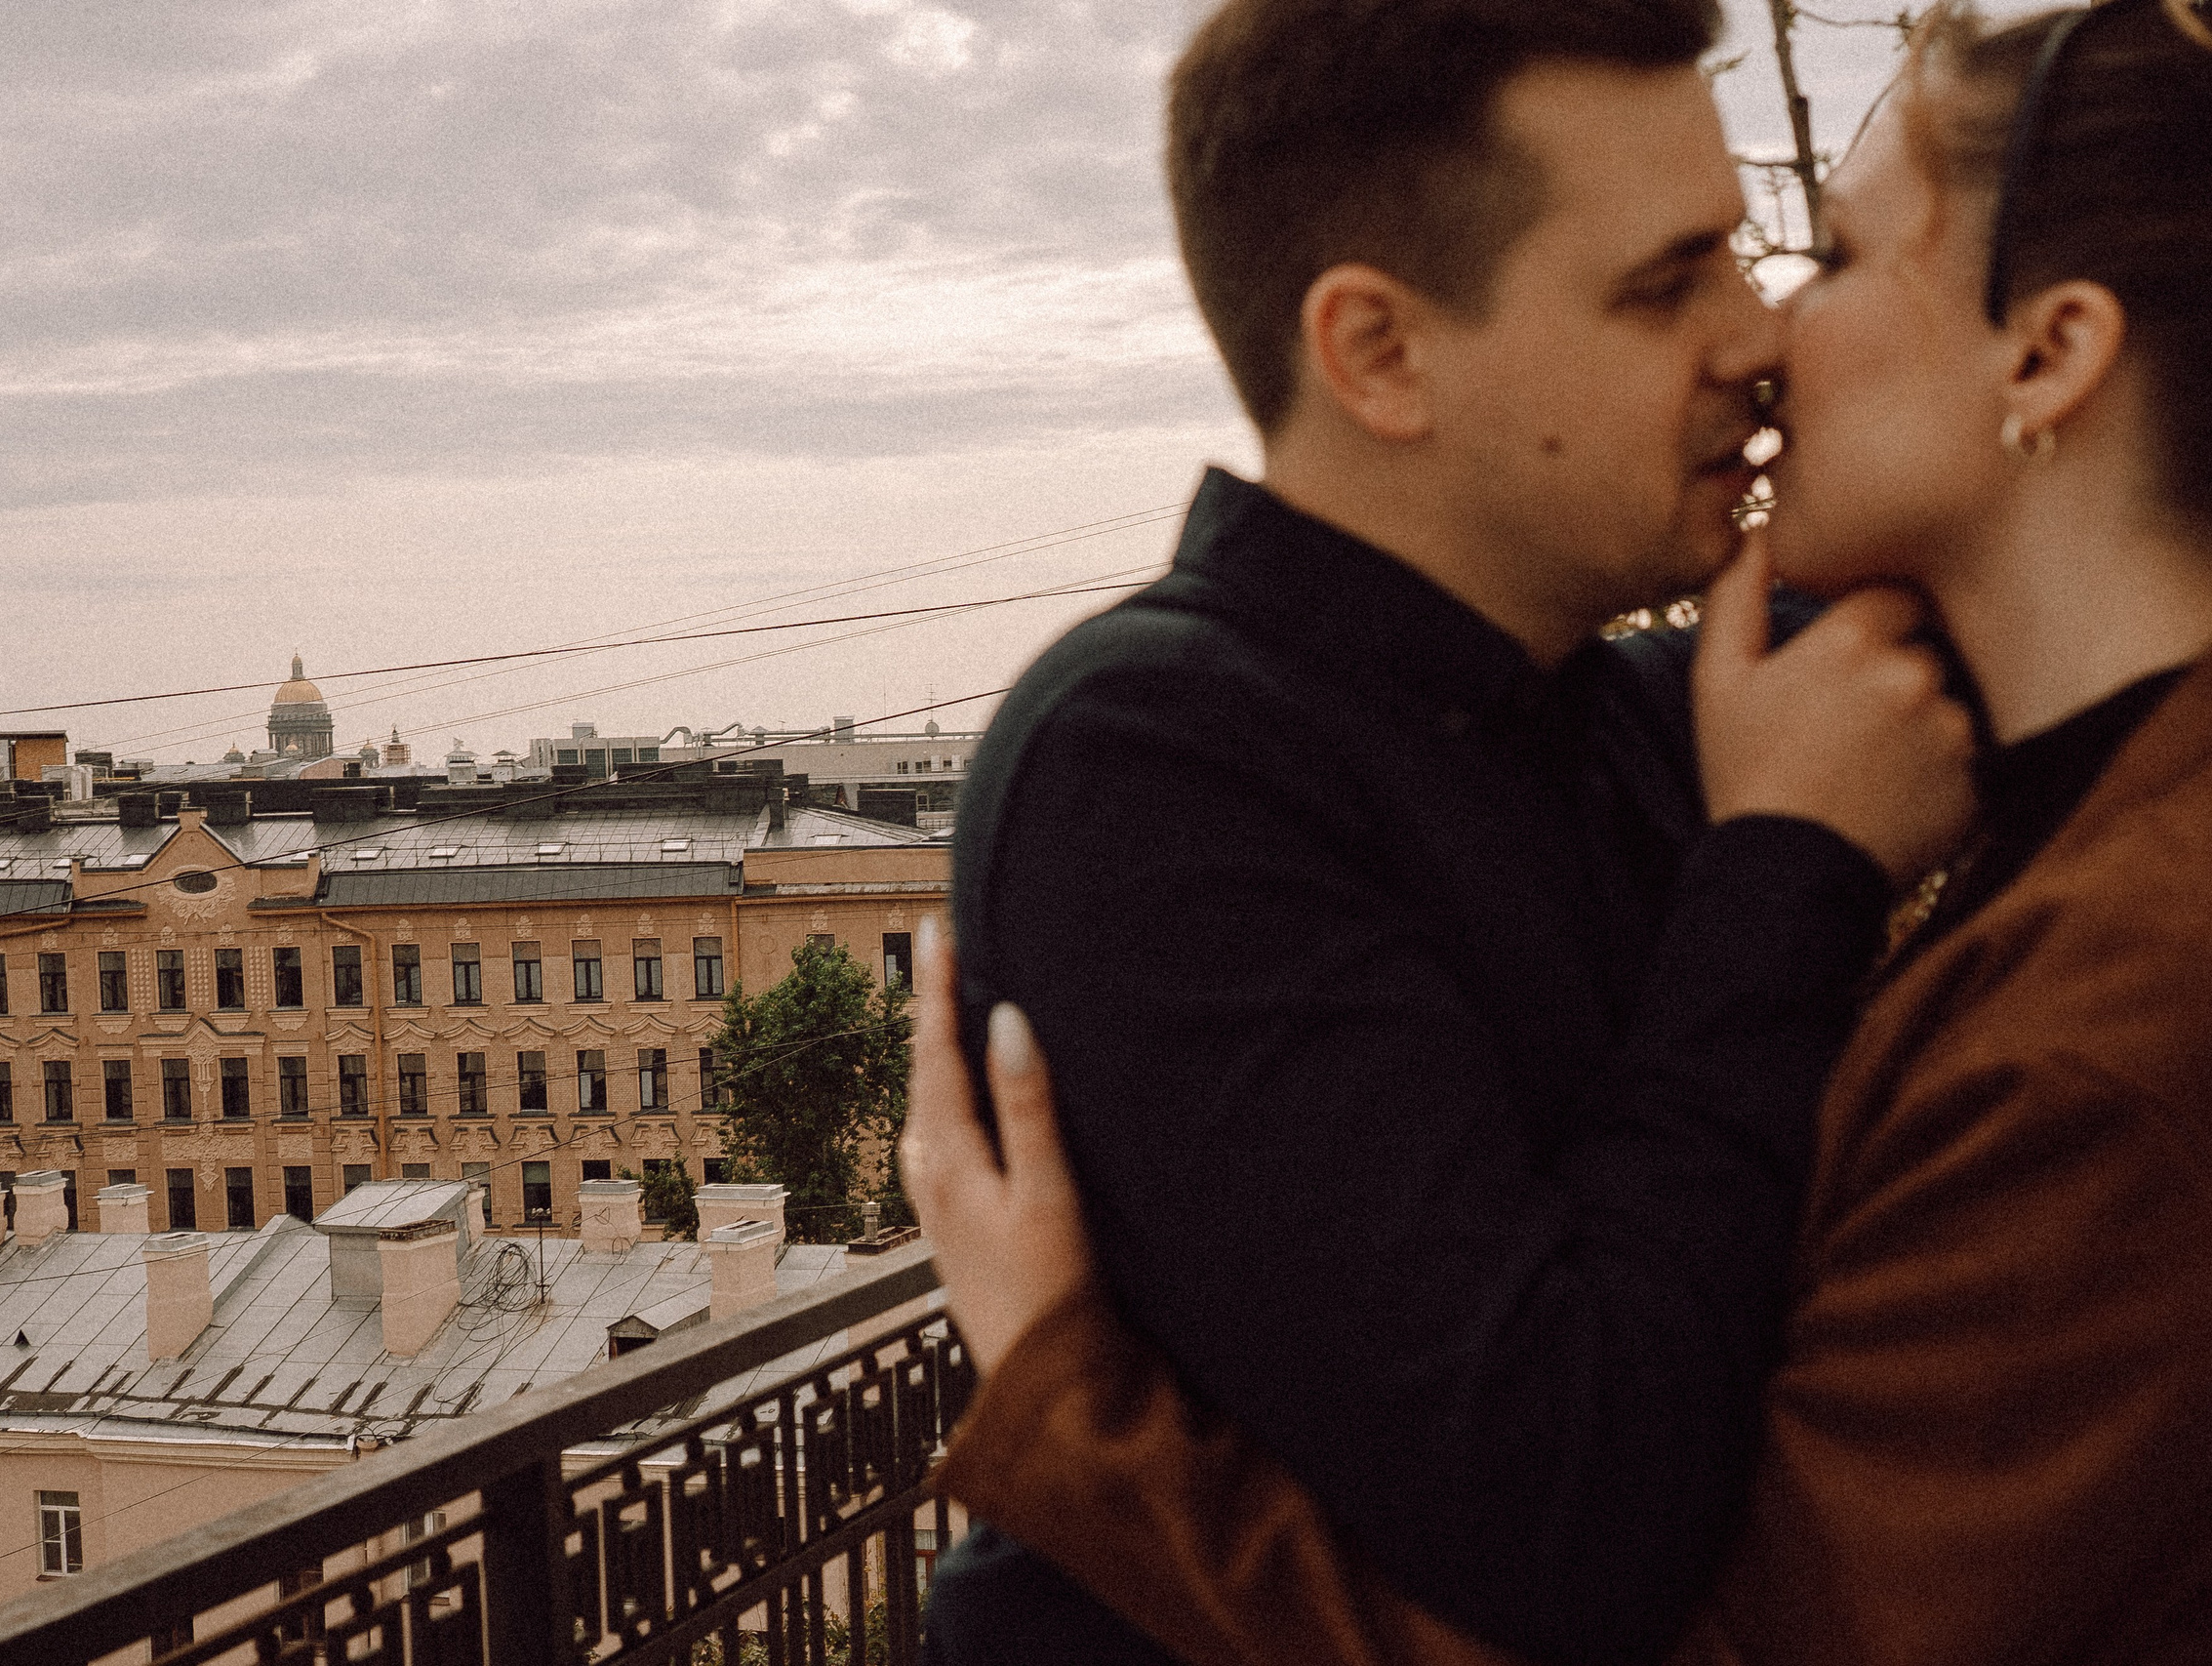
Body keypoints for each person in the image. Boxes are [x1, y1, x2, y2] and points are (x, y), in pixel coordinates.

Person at [908, 0, 2212, 1661]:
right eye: (1667, 284)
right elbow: (1571, 1512)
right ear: (1381, 352)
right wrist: (1783, 876)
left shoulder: (1664, 718)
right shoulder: (1158, 763)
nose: (1758, 337)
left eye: (1764, 257)